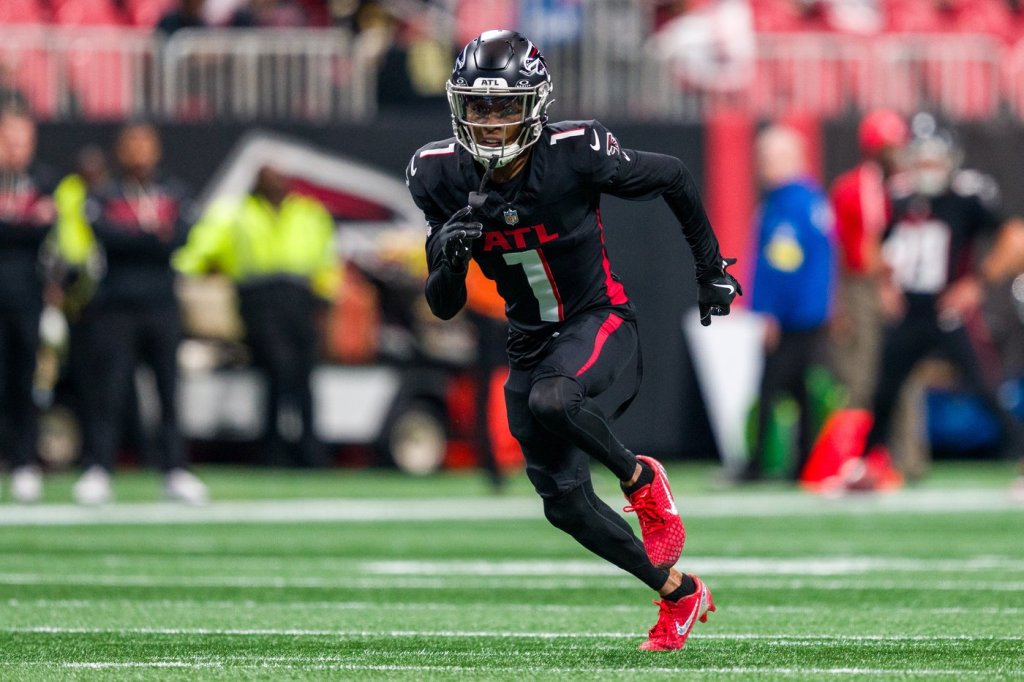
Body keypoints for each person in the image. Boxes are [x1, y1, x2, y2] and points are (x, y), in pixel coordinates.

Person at [407, 30, 740, 651]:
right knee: (564, 504)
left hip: (598, 317)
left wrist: (709, 268)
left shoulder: (574, 152)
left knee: (553, 400)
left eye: (504, 106)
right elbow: (443, 306)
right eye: (478, 107)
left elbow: (672, 176)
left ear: (534, 106)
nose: (490, 122)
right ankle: (679, 593)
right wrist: (448, 258)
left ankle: (640, 478)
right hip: (529, 340)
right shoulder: (438, 173)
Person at [845, 121, 1024, 491]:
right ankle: (867, 467)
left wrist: (977, 284)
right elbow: (875, 245)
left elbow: (1015, 238)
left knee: (986, 388)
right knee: (883, 390)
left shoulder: (967, 196)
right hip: (910, 312)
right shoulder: (900, 196)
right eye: (921, 160)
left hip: (949, 312)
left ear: (950, 160)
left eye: (934, 160)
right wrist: (885, 286)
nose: (927, 168)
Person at [72, 122, 208, 505]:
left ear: (157, 150)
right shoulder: (105, 194)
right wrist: (152, 235)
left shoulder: (174, 191)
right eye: (131, 145)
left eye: (145, 144)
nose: (138, 152)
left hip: (160, 304)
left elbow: (181, 237)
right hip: (116, 306)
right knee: (109, 390)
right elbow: (107, 237)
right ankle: (100, 467)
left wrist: (139, 237)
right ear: (119, 151)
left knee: (168, 389)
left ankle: (175, 468)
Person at [174, 165, 339, 468]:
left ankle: (310, 453)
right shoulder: (236, 214)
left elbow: (327, 259)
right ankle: (273, 450)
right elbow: (201, 251)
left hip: (301, 298)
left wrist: (326, 297)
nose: (276, 183)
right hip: (259, 298)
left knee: (303, 373)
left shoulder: (308, 213)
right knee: (278, 367)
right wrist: (182, 270)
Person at [740, 125, 835, 482]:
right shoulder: (792, 201)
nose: (762, 164)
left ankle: (761, 465)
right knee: (797, 389)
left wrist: (774, 314)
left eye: (769, 157)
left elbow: (787, 267)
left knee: (774, 387)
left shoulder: (794, 204)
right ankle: (803, 462)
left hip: (796, 317)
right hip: (800, 314)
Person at [0, 107, 55, 503]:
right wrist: (23, 222)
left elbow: (45, 229)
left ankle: (23, 461)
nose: (16, 149)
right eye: (9, 141)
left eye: (22, 142)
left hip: (25, 297)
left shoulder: (44, 181)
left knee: (24, 380)